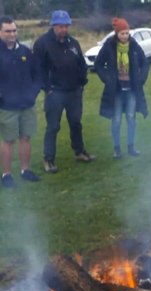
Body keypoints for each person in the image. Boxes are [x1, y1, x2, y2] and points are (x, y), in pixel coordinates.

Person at [33, 9, 95, 174]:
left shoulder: (73, 42)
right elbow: (38, 70)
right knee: (53, 126)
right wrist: (47, 88)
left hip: (74, 91)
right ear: (53, 25)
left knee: (76, 123)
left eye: (66, 26)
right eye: (61, 26)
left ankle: (79, 152)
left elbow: (82, 64)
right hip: (55, 93)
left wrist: (82, 82)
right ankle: (49, 158)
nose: (64, 30)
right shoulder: (42, 44)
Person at [94, 18, 149, 159]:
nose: (125, 36)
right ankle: (117, 148)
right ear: (116, 33)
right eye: (122, 33)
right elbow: (98, 64)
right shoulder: (109, 46)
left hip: (131, 89)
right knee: (116, 119)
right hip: (116, 90)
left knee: (131, 118)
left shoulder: (134, 46)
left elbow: (145, 63)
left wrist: (141, 79)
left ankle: (131, 146)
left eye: (127, 33)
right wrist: (107, 79)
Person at [0, 16, 41, 188]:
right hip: (7, 106)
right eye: (8, 31)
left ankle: (25, 170)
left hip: (27, 104)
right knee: (8, 140)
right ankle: (7, 174)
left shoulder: (25, 51)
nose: (12, 34)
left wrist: (33, 93)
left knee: (26, 137)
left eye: (14, 30)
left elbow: (37, 75)